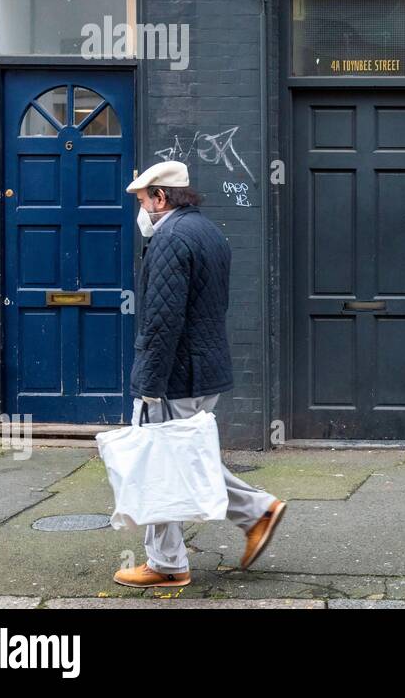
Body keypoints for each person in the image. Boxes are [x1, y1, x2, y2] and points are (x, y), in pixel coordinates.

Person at [113, 160, 286, 589]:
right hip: (204, 368)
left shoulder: (171, 237)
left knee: (159, 463)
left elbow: (162, 319)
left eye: (142, 200)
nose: (141, 210)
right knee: (185, 459)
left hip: (175, 373)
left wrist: (149, 384)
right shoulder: (208, 231)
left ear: (161, 197)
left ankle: (167, 563)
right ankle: (257, 511)